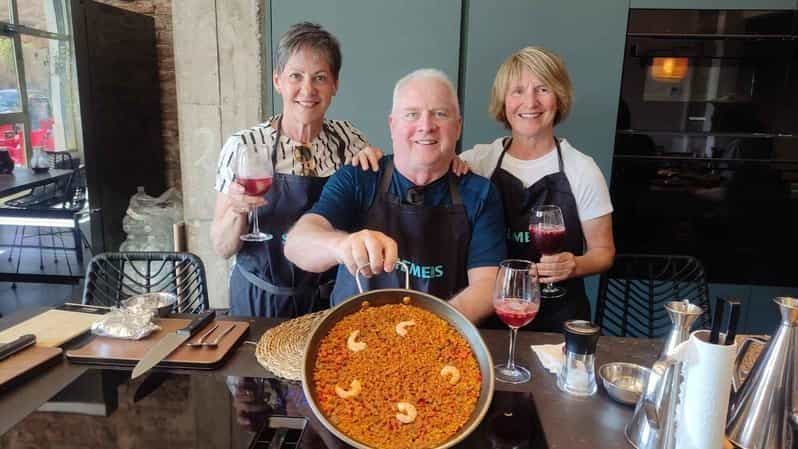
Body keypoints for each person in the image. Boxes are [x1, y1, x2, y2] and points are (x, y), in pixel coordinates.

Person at [284, 69, 507, 323]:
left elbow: (488, 284)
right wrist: (341, 245)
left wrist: (433, 325)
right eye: (412, 114)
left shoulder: (480, 193)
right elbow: (296, 244)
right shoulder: (359, 177)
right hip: (353, 333)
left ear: (457, 127)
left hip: (441, 332)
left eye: (440, 114)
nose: (426, 126)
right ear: (393, 125)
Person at [211, 22, 382, 317]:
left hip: (326, 303)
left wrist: (376, 167)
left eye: (320, 78)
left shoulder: (350, 140)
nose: (308, 89)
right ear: (278, 81)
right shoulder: (244, 146)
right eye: (296, 76)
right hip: (258, 303)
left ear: (335, 85)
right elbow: (221, 247)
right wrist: (237, 211)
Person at [458, 46, 615, 331]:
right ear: (503, 101)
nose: (530, 102)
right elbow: (423, 171)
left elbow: (604, 252)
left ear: (559, 98)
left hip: (559, 319)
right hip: (490, 318)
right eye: (517, 91)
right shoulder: (478, 161)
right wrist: (373, 159)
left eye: (542, 89)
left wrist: (575, 265)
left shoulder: (582, 169)